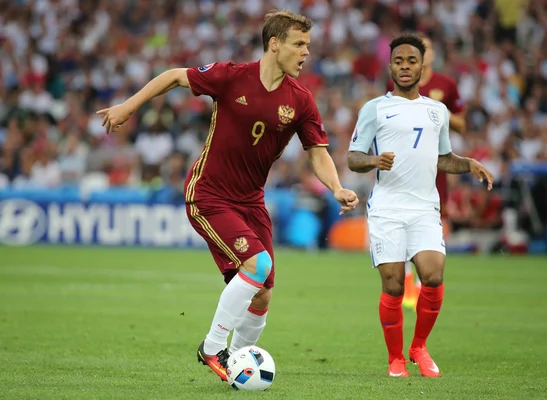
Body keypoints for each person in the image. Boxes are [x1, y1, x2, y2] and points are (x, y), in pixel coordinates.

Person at [97, 10, 359, 382]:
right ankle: (212, 347)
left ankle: (237, 363)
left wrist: (336, 187)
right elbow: (174, 76)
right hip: (209, 193)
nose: (306, 53)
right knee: (259, 266)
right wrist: (127, 106)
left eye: (308, 46)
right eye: (299, 44)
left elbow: (317, 151)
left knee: (263, 294)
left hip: (251, 201)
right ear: (274, 44)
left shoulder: (300, 100)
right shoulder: (232, 76)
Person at [347, 33, 493, 378]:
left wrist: (468, 163)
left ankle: (419, 347)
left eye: (411, 61)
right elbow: (353, 158)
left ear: (422, 65)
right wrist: (373, 162)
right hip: (387, 209)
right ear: (391, 66)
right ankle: (395, 358)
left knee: (433, 275)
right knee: (394, 285)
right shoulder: (375, 108)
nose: (405, 67)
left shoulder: (437, 110)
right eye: (398, 61)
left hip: (425, 207)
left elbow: (442, 158)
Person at [386, 34, 466, 311]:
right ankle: (408, 278)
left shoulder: (446, 85)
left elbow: (462, 124)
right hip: (403, 163)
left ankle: (422, 281)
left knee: (432, 219)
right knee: (401, 219)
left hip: (434, 165)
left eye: (427, 49)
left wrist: (438, 111)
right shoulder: (399, 81)